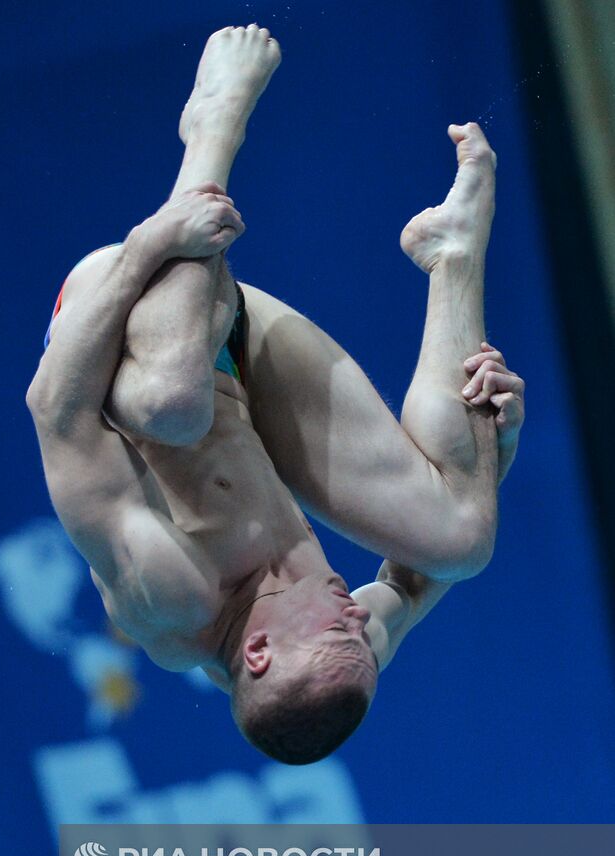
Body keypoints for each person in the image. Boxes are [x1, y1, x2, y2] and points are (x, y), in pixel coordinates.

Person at [27, 25, 525, 764]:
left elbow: (56, 408)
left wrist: (149, 245)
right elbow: (416, 583)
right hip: (243, 355)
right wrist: (491, 454)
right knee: (460, 542)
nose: (355, 615)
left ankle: (210, 133)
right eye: (364, 635)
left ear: (256, 652)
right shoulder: (343, 649)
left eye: (340, 627)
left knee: (171, 406)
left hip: (115, 327)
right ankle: (452, 253)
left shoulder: (168, 595)